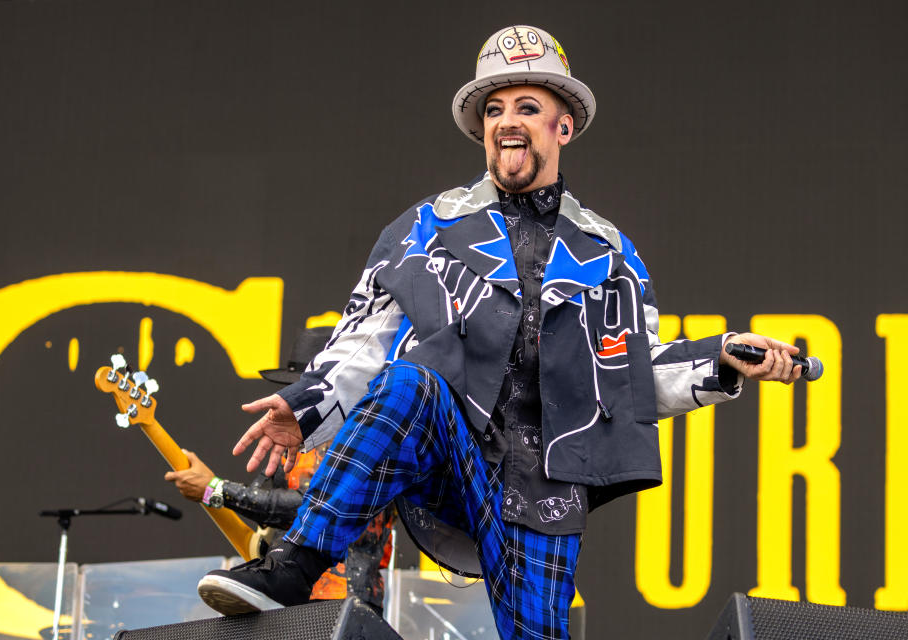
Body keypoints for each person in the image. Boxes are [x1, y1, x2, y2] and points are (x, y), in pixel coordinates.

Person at [196, 25, 803, 639]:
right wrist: (303, 406)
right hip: (449, 459)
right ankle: (292, 568)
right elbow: (364, 338)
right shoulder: (426, 227)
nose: (507, 121)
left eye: (527, 107)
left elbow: (634, 373)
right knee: (412, 383)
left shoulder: (609, 252)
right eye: (494, 109)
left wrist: (723, 361)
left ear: (563, 127)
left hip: (545, 486)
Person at [164, 326, 393, 611]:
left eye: (302, 391)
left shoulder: (354, 439)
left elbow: (310, 507)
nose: (292, 402)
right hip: (302, 598)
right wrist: (207, 484)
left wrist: (215, 489)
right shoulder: (301, 441)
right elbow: (261, 500)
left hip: (337, 600)